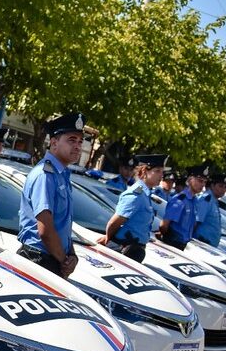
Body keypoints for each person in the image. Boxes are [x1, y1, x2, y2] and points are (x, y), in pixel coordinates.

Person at [16, 113, 85, 277]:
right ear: (54, 143)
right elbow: (45, 229)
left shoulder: (61, 174)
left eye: (80, 142)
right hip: (38, 259)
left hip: (53, 258)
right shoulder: (44, 175)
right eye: (72, 140)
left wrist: (72, 256)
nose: (77, 146)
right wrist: (64, 261)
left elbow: (63, 225)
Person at [98, 154, 166, 262]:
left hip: (134, 250)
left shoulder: (145, 194)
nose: (161, 175)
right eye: (157, 171)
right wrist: (108, 237)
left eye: (162, 171)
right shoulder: (136, 194)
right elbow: (115, 222)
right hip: (124, 249)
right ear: (144, 171)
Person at [160, 164, 207, 249]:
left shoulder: (194, 200)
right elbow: (164, 225)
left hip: (183, 244)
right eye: (200, 181)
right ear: (189, 180)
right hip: (172, 243)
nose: (203, 184)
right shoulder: (180, 200)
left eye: (204, 181)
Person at [194, 172, 226, 246]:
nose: (223, 189)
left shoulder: (214, 201)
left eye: (225, 187)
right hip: (201, 243)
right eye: (220, 186)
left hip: (209, 245)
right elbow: (195, 222)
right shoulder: (206, 200)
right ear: (212, 185)